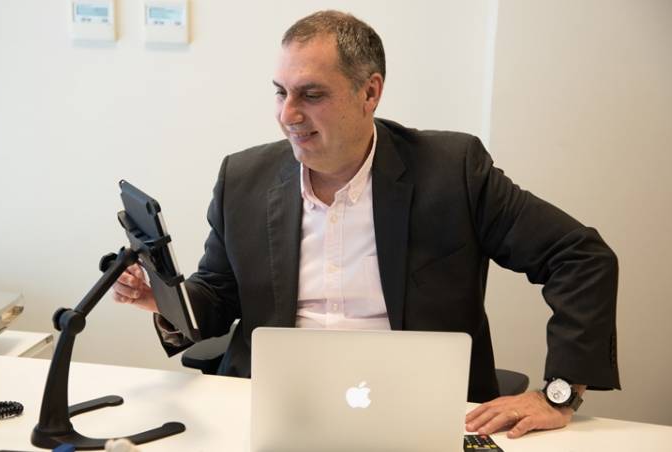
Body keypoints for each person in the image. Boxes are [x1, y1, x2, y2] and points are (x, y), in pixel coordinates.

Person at [113, 10, 619, 439]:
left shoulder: (453, 171)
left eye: (311, 95)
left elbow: (579, 257)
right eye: (280, 92)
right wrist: (166, 302)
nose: (288, 114)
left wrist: (560, 393)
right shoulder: (244, 179)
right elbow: (219, 296)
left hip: (420, 415)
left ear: (370, 92)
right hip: (274, 411)